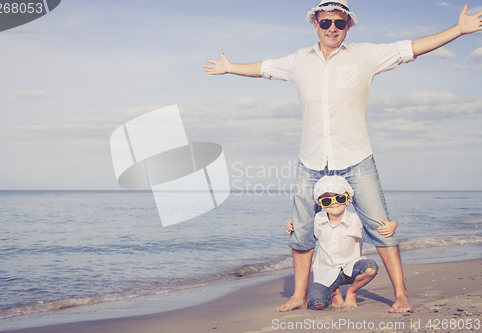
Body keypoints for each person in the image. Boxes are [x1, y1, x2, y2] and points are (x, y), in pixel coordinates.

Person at [204, 0, 482, 313]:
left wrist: (459, 30)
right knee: (302, 230)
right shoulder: (299, 60)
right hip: (311, 161)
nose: (332, 28)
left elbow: (412, 48)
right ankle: (298, 295)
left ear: (348, 25)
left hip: (356, 158)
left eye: (339, 23)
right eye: (326, 23)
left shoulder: (365, 55)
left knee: (379, 227)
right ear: (315, 24)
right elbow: (264, 69)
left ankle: (401, 294)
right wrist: (230, 68)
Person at [285, 176, 397, 309]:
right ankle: (334, 291)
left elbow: (376, 229)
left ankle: (352, 291)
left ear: (348, 199)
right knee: (317, 303)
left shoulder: (356, 220)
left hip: (351, 268)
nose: (334, 203)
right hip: (326, 271)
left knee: (371, 268)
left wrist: (393, 225)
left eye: (340, 198)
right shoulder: (317, 220)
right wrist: (291, 224)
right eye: (327, 200)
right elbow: (304, 234)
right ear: (319, 203)